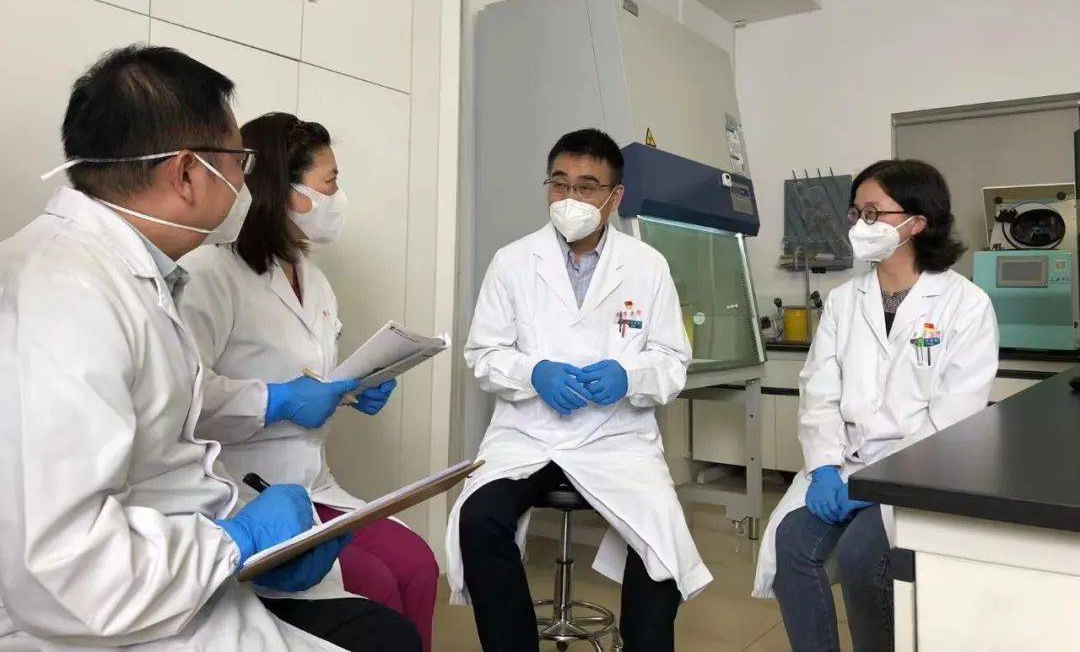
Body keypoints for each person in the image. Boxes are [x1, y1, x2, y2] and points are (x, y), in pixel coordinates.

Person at [0, 45, 420, 652]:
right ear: (186, 174)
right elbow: (61, 570)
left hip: (178, 565)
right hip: (107, 614)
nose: (247, 182)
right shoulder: (65, 296)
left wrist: (252, 517)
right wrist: (236, 542)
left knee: (384, 625)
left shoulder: (129, 275)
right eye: (238, 162)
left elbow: (170, 415)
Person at [179, 111, 439, 650]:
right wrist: (275, 401)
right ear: (287, 191)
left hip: (314, 481)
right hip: (244, 489)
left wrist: (351, 389)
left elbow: (310, 376)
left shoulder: (313, 279)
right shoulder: (210, 272)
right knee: (375, 583)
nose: (338, 199)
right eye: (331, 183)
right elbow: (183, 393)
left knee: (417, 565)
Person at [446, 128, 712, 652]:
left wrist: (629, 377)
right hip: (529, 433)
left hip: (616, 437)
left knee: (661, 539)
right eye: (559, 183)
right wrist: (534, 373)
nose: (570, 198)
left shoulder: (647, 265)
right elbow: (483, 355)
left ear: (615, 197)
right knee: (479, 519)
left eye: (587, 187)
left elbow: (672, 361)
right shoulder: (512, 261)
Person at [753, 159, 999, 652]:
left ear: (917, 222)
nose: (859, 225)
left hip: (918, 470)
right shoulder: (844, 301)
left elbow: (954, 418)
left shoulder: (966, 305)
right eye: (856, 213)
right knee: (792, 546)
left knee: (861, 558)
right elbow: (819, 391)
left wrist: (880, 481)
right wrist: (825, 468)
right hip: (845, 463)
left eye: (873, 213)